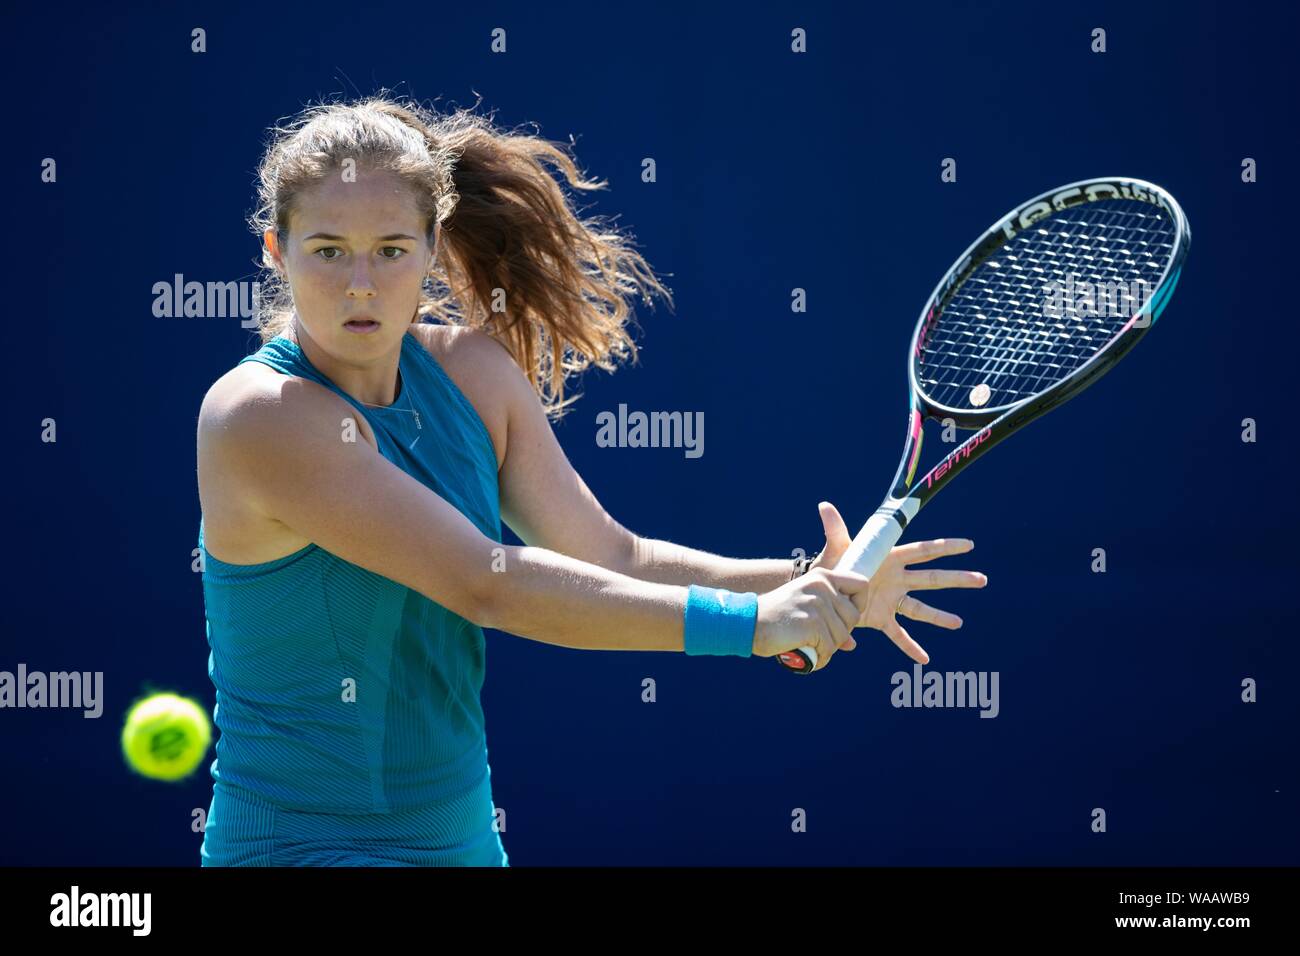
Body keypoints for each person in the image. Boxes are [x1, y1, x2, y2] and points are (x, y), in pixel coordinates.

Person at [195, 95, 987, 866]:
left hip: (463, 842)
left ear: (433, 248)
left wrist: (809, 583)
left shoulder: (473, 374)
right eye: (327, 250)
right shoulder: (261, 416)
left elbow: (615, 557)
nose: (360, 283)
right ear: (276, 251)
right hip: (298, 849)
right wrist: (753, 626)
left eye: (392, 250)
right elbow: (486, 584)